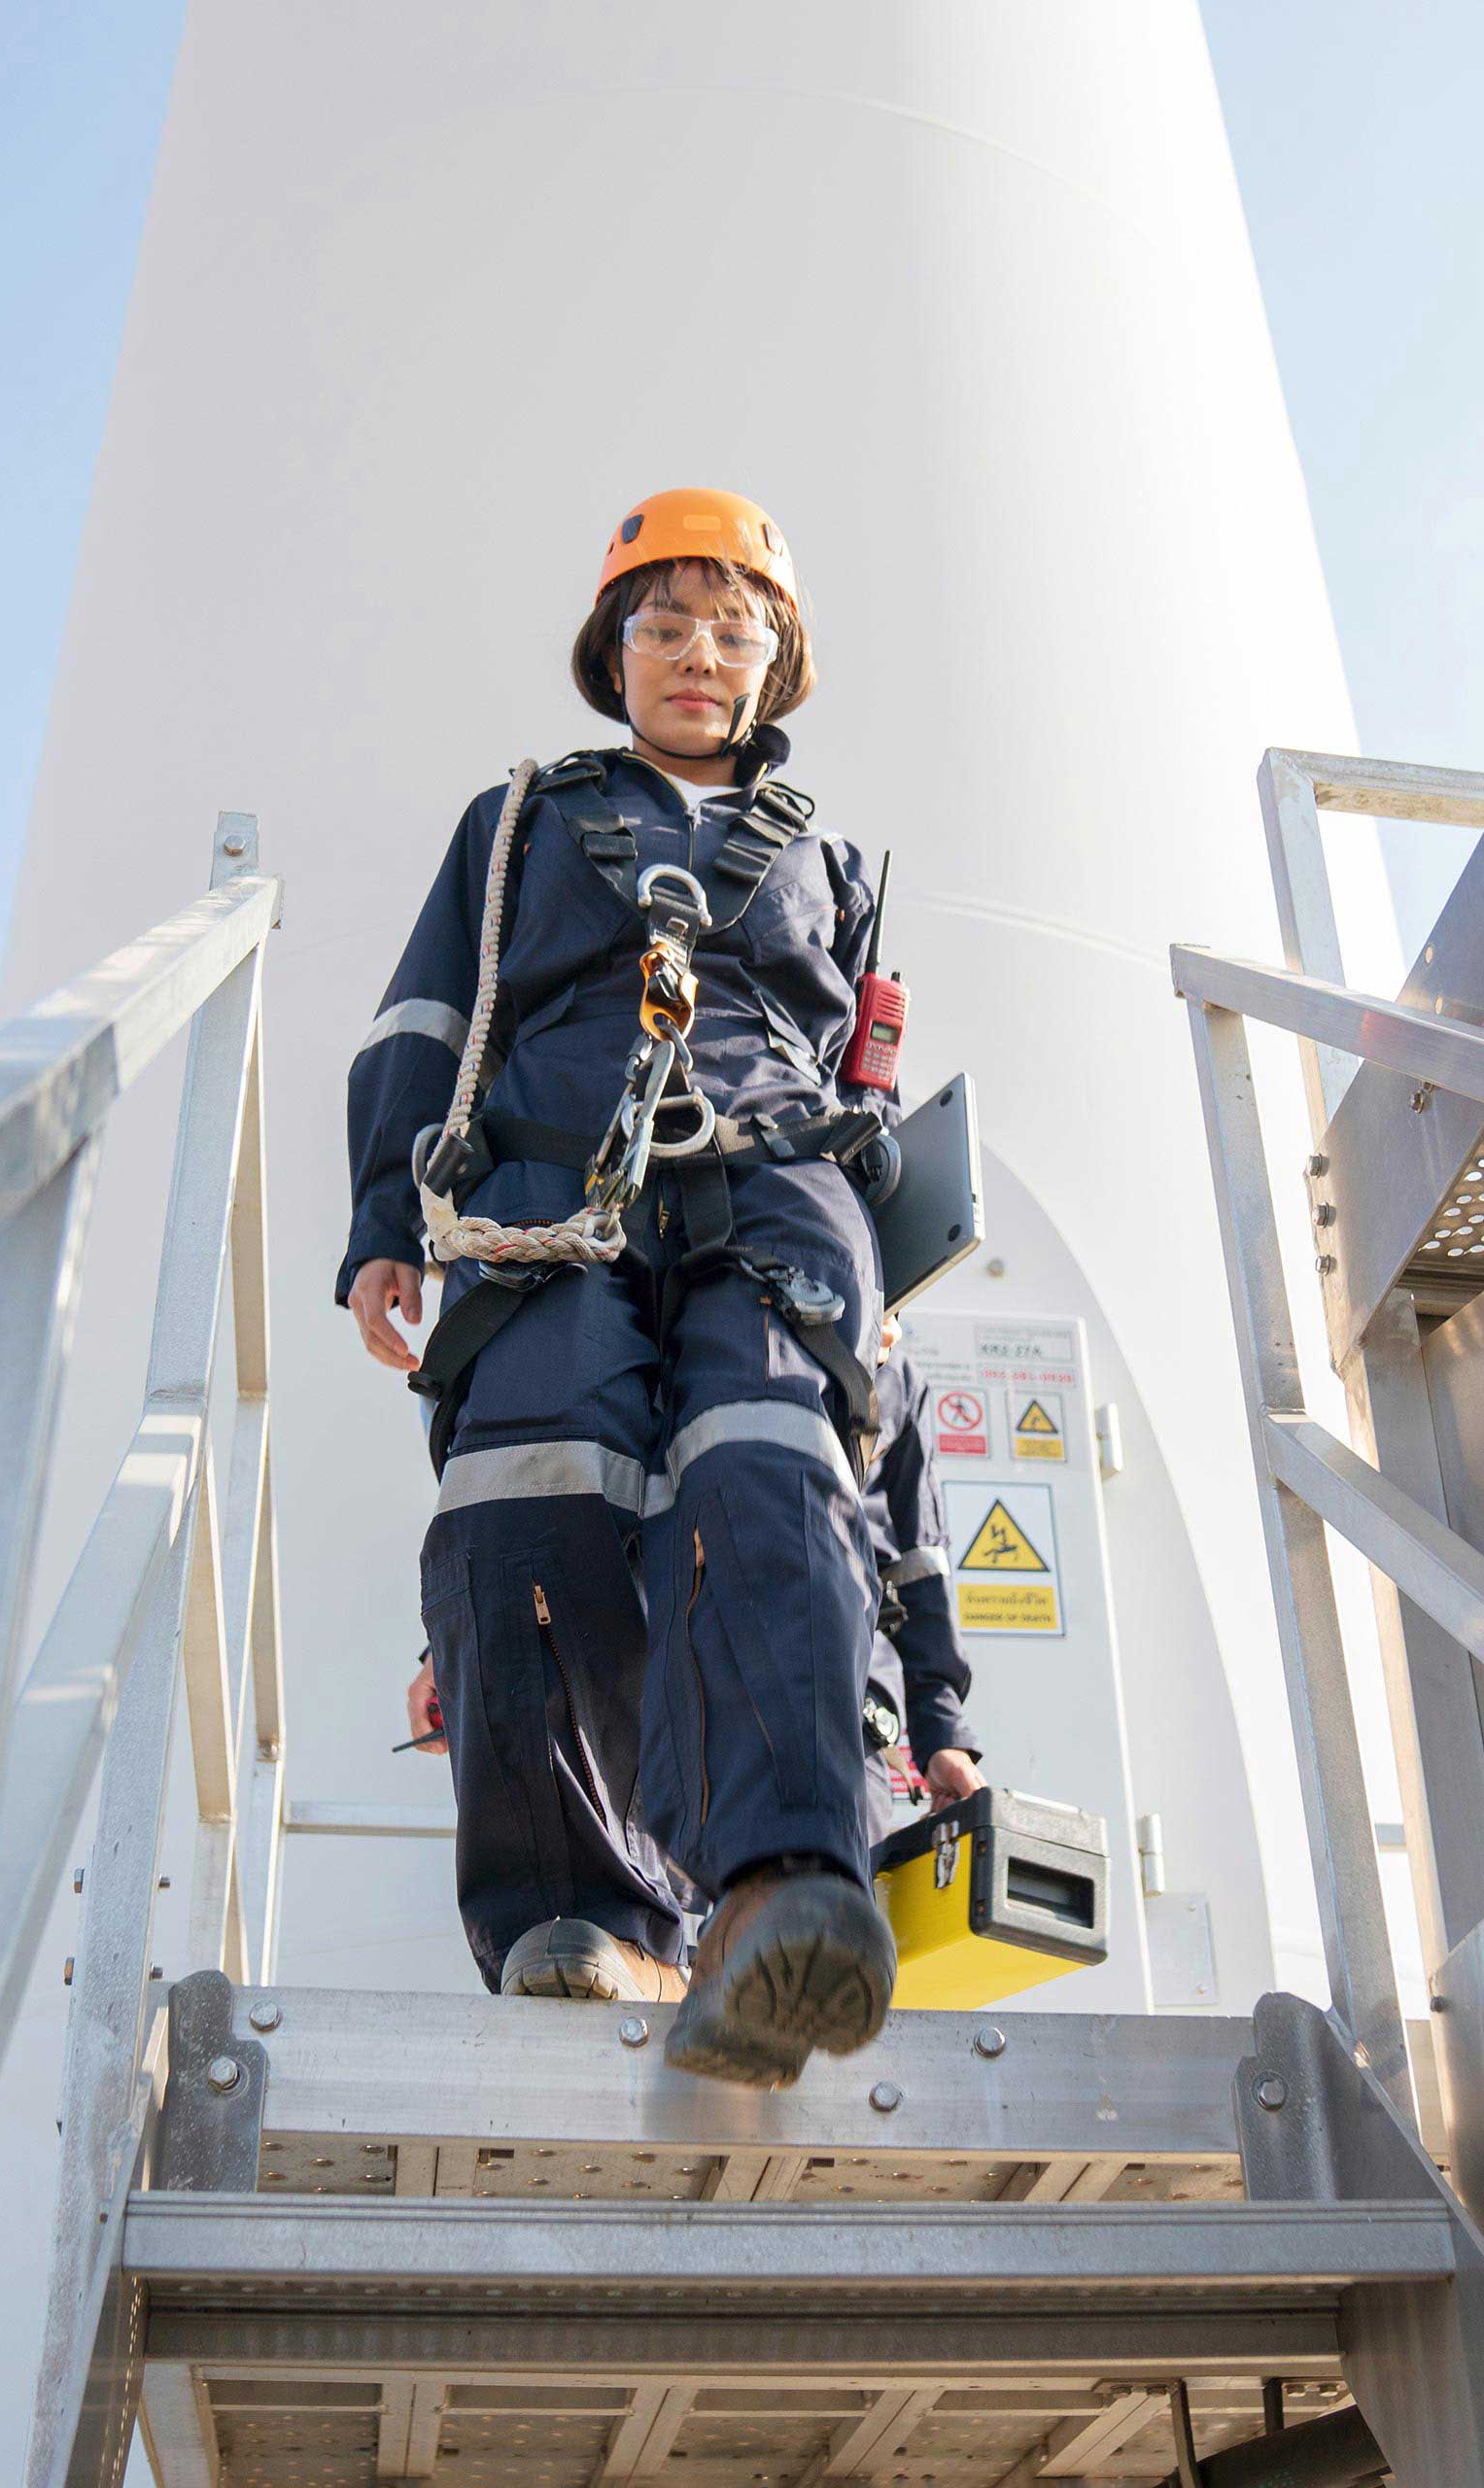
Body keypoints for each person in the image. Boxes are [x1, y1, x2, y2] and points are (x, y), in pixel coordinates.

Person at [341, 488, 903, 2087]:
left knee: (768, 1479)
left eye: (735, 631)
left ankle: (781, 1894)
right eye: (666, 627)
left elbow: (861, 1059)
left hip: (775, 1180)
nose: (699, 656)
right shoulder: (515, 822)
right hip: (549, 1188)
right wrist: (384, 1213)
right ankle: (586, 1912)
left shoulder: (836, 865)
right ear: (614, 649)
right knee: (534, 1494)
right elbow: (423, 1018)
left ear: (775, 661)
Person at [857, 1319, 983, 1823]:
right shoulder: (705, 1324)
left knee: (833, 1895)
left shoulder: (898, 1381)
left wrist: (942, 1732)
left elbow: (918, 1567)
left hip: (848, 1712)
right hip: (693, 1696)